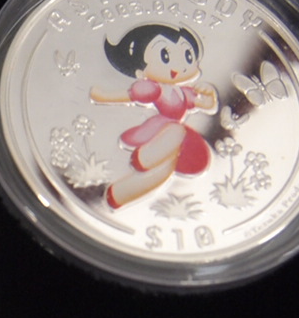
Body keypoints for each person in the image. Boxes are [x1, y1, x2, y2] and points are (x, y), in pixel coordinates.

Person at [89, 23, 218, 208]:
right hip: (159, 131)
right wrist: (102, 97)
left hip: (174, 138)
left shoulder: (184, 93)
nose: (179, 65)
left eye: (187, 56)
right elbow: (128, 96)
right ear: (141, 71)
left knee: (164, 172)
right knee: (175, 131)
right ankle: (145, 158)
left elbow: (207, 105)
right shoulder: (154, 89)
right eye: (165, 56)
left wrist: (210, 95)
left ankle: (119, 195)